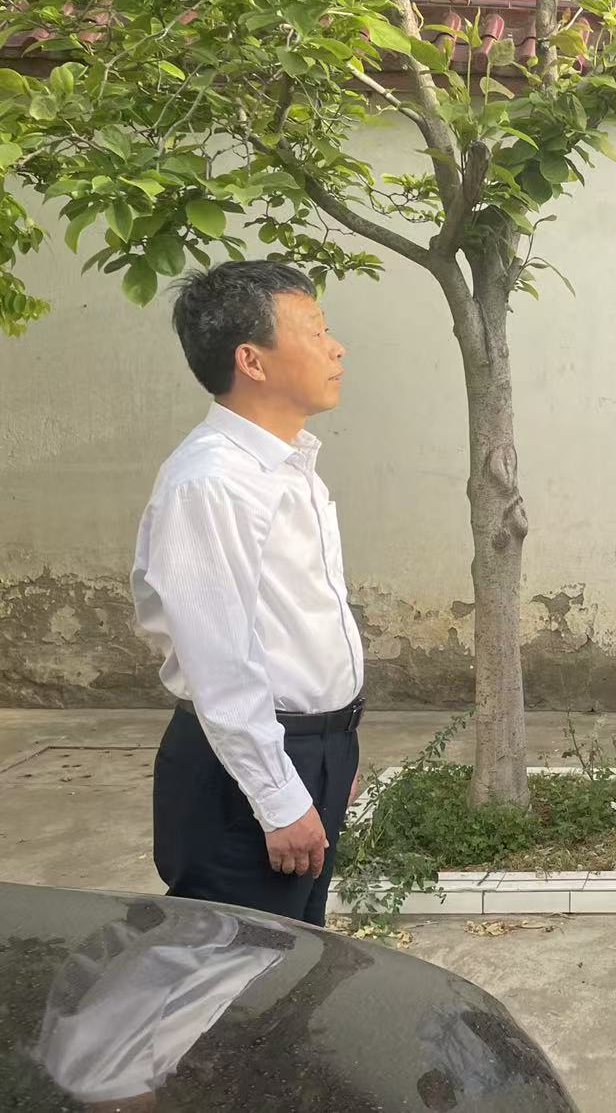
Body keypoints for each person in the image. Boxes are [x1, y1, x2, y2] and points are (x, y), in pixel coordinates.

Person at [133, 260, 363, 926]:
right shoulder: (212, 482)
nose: (337, 348)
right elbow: (220, 663)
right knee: (234, 971)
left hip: (304, 750)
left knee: (297, 957)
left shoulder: (288, 469)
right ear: (251, 360)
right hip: (242, 774)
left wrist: (335, 743)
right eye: (315, 332)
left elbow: (302, 626)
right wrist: (278, 795)